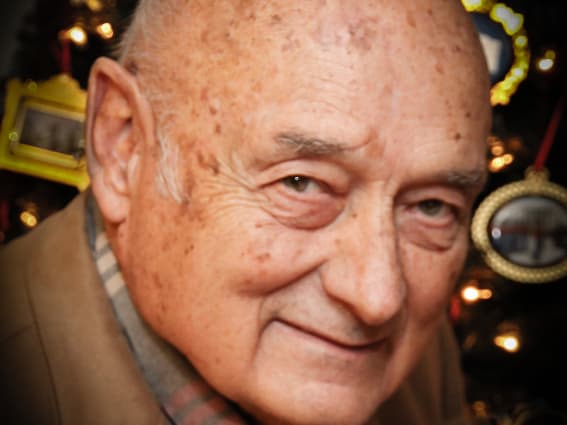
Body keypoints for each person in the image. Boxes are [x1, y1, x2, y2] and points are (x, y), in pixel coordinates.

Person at [0, 0, 491, 424]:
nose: (379, 298)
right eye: (301, 184)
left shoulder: (423, 359)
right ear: (123, 147)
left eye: (431, 207)